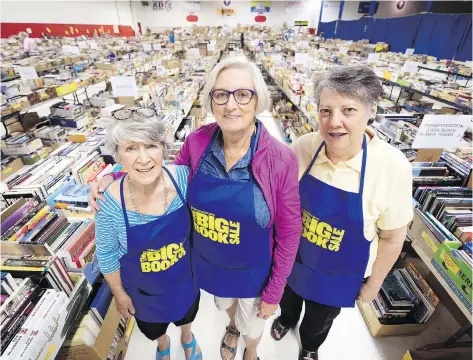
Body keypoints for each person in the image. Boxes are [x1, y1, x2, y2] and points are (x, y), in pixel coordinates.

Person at [89, 57, 302, 360]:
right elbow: (161, 176)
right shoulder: (198, 142)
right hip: (208, 267)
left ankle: (251, 351)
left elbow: (290, 232)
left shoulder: (280, 159)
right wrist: (113, 178)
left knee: (254, 325)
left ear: (258, 101)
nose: (231, 105)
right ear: (211, 101)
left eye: (243, 94)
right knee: (227, 308)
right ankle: (231, 328)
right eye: (221, 94)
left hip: (255, 273)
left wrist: (275, 290)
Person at [270, 65, 414, 360]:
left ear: (371, 110)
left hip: (339, 274)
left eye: (348, 109)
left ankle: (310, 346)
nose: (334, 122)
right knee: (289, 299)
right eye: (325, 111)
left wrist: (374, 283)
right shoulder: (303, 147)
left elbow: (391, 237)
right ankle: (286, 319)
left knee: (320, 319)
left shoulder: (392, 167)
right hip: (295, 259)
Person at [94, 109, 202, 360]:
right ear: (117, 153)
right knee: (154, 329)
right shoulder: (109, 203)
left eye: (151, 146)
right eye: (131, 148)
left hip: (185, 282)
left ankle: (187, 337)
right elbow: (107, 252)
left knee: (188, 315)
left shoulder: (184, 179)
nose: (143, 159)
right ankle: (163, 343)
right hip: (143, 294)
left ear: (163, 148)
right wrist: (119, 293)